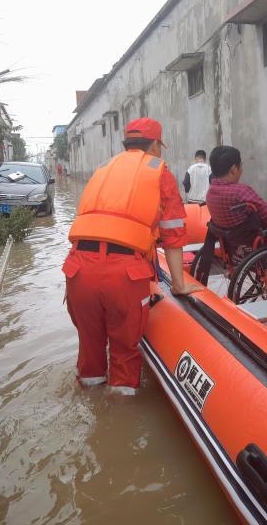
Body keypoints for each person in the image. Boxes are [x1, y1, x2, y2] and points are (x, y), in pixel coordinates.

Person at [64, 118, 202, 395]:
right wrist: (179, 284)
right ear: (154, 145)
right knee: (125, 353)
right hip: (123, 273)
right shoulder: (158, 171)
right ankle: (120, 416)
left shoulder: (103, 169)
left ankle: (90, 398)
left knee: (89, 348)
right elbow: (173, 235)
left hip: (77, 269)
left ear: (125, 144)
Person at [205, 145, 267, 263]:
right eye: (241, 165)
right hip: (262, 247)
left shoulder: (211, 193)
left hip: (234, 249)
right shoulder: (241, 192)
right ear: (233, 169)